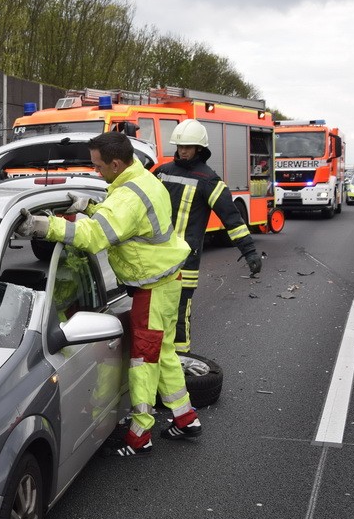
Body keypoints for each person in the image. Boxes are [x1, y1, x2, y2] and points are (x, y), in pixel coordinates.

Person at [15, 132, 201, 455]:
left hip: (153, 288)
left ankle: (141, 432)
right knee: (163, 351)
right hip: (167, 281)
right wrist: (91, 206)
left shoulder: (127, 197)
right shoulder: (143, 179)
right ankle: (186, 418)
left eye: (98, 165)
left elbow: (95, 237)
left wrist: (46, 227)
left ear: (116, 163)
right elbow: (120, 219)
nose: (95, 170)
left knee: (144, 359)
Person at [153, 119, 263, 354]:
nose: (183, 150)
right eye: (180, 146)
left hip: (185, 261)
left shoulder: (209, 180)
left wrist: (249, 251)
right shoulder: (162, 172)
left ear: (199, 149)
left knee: (180, 314)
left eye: (188, 147)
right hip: (155, 256)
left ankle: (181, 364)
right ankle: (159, 363)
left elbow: (232, 219)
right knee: (154, 314)